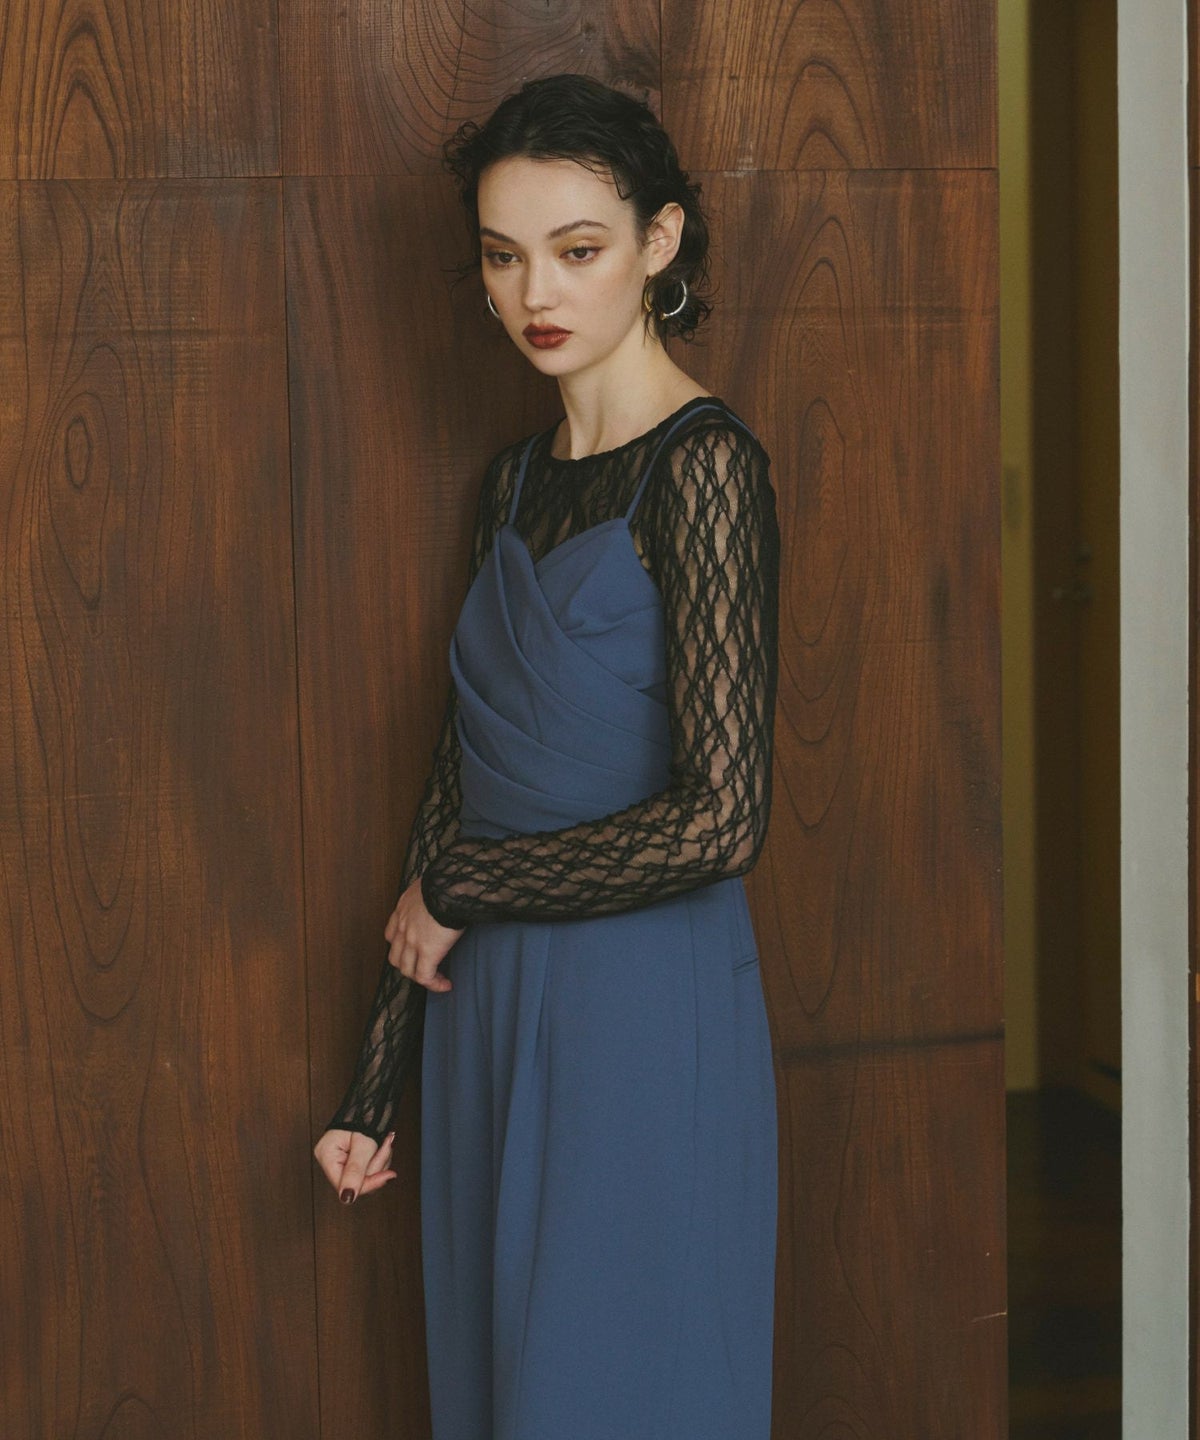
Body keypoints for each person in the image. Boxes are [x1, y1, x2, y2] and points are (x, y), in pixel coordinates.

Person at [313, 71, 781, 1440]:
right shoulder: (512, 483)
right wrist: (374, 1084)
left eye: (577, 250)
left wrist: (465, 890)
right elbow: (456, 781)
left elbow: (722, 820)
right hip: (492, 1007)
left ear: (660, 241)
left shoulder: (706, 468)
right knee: (506, 1387)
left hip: (644, 1006)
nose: (537, 292)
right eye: (504, 255)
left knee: (621, 1384)